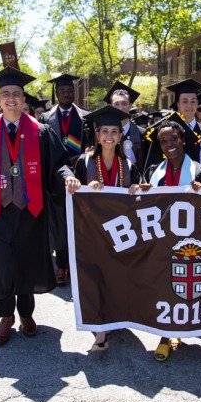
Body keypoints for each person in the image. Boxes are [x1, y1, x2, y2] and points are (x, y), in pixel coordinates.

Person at [0, 66, 80, 347]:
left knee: (27, 263)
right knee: (2, 263)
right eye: (5, 94)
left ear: (24, 98)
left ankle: (26, 313)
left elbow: (58, 164)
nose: (11, 99)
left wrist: (69, 176)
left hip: (30, 211)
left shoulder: (40, 131)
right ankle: (6, 316)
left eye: (16, 94)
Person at [73, 105, 142, 353]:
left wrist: (136, 191)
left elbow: (139, 201)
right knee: (96, 277)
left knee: (117, 276)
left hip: (121, 233)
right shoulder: (84, 161)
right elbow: (73, 196)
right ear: (97, 135)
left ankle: (117, 315)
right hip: (92, 232)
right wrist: (81, 187)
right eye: (105, 131)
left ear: (120, 136)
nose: (110, 136)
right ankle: (101, 332)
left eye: (115, 131)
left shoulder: (129, 165)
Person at [142, 116, 201, 362]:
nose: (169, 144)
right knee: (162, 284)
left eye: (173, 139)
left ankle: (179, 329)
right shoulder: (153, 172)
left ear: (182, 140)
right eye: (163, 141)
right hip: (160, 238)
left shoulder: (200, 171)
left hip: (189, 242)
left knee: (184, 284)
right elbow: (143, 203)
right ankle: (164, 335)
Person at [40, 73, 91, 286]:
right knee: (59, 222)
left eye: (70, 90)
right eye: (62, 91)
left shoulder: (86, 117)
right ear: (56, 93)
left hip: (79, 175)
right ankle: (61, 265)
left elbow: (90, 147)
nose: (66, 93)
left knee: (80, 221)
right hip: (55, 178)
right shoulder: (45, 118)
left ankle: (78, 264)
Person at [103, 81, 145, 165]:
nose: (120, 108)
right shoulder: (102, 134)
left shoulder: (142, 134)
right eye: (116, 104)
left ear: (130, 105)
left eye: (124, 103)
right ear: (111, 107)